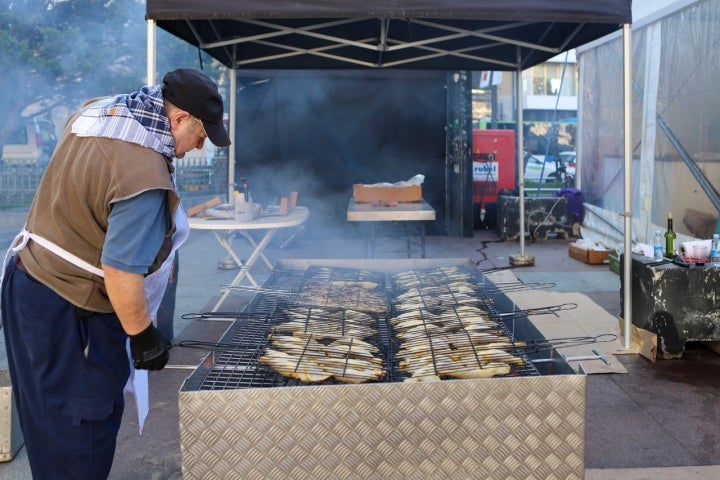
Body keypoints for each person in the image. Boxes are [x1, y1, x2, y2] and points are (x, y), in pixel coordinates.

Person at [0, 68, 230, 479]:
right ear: (177, 119)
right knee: (81, 426)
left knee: (46, 417)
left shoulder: (101, 111)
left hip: (27, 281)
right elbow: (120, 270)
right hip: (68, 305)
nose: (200, 145)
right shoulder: (142, 175)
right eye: (200, 134)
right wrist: (145, 336)